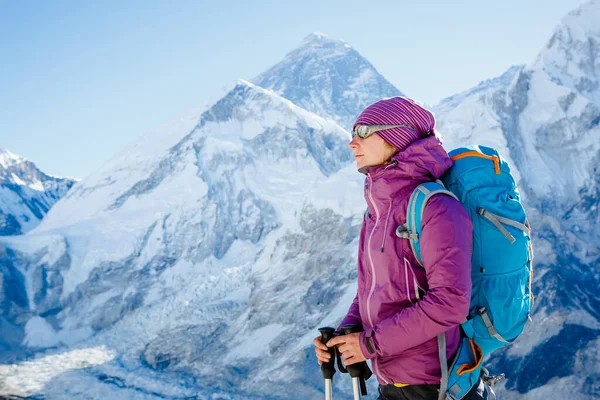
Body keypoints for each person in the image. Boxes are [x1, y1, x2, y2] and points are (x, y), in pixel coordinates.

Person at [313, 97, 494, 399]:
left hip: (436, 387)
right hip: (392, 385)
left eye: (363, 131)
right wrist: (347, 334)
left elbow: (450, 302)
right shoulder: (377, 212)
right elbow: (373, 288)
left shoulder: (436, 208)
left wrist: (370, 344)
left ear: (397, 135)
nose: (352, 142)